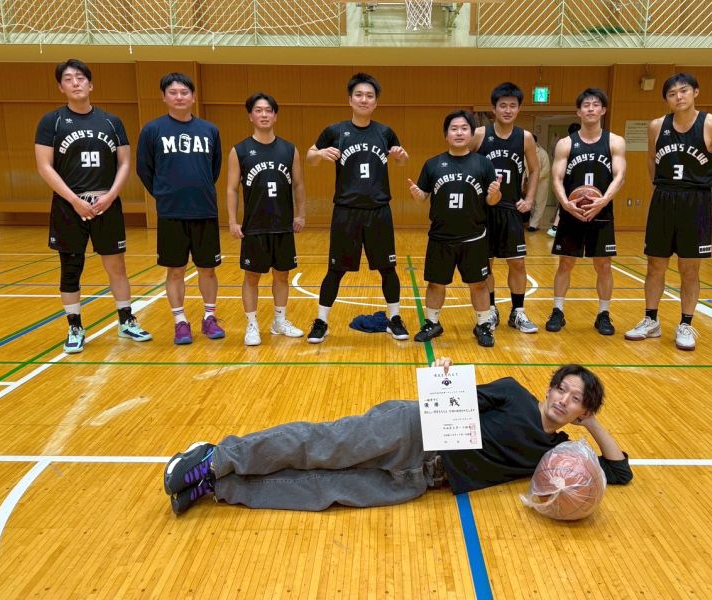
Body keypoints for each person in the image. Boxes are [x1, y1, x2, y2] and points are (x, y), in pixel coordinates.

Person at [162, 356, 633, 514]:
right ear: (549, 387)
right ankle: (217, 457)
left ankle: (218, 487)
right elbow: (453, 396)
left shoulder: (556, 457)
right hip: (410, 430)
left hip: (423, 479)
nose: (563, 400)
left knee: (321, 491)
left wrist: (592, 423)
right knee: (322, 445)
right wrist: (444, 373)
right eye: (561, 389)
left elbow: (618, 473)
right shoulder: (513, 393)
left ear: (581, 411)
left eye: (576, 400)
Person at [34, 58, 151, 354]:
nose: (75, 82)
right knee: (71, 268)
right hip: (69, 206)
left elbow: (124, 163)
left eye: (80, 77)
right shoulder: (51, 122)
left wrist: (110, 196)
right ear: (60, 87)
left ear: (91, 84)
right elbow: (45, 166)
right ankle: (74, 326)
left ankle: (126, 320)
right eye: (68, 78)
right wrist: (74, 201)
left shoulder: (112, 122)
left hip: (106, 204)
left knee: (117, 266)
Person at [625, 73, 712, 351]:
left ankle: (686, 324)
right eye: (672, 93)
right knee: (655, 265)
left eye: (684, 91)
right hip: (664, 199)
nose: (679, 97)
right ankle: (651, 320)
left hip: (696, 201)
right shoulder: (656, 126)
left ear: (695, 92)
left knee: (689, 268)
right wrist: (659, 188)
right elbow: (651, 159)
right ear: (666, 99)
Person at [305, 73, 410, 344]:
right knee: (335, 270)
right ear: (350, 100)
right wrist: (320, 154)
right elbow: (309, 157)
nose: (364, 99)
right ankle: (321, 322)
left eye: (369, 96)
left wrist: (400, 156)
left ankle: (394, 319)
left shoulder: (385, 132)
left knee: (388, 269)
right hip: (346, 212)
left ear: (376, 102)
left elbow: (402, 160)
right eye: (359, 95)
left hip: (378, 211)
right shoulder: (335, 131)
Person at [137, 73, 224, 345]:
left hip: (204, 210)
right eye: (172, 92)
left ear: (193, 97)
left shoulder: (210, 130)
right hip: (171, 213)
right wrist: (164, 194)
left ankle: (209, 318)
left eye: (184, 92)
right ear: (163, 97)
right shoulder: (152, 130)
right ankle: (180, 321)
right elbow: (144, 169)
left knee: (208, 269)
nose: (179, 97)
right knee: (175, 271)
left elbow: (215, 168)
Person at [408, 110, 502, 348]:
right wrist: (417, 195)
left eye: (464, 128)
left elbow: (491, 201)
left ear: (471, 133)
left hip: (474, 237)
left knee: (479, 284)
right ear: (446, 134)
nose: (459, 133)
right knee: (435, 284)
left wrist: (495, 193)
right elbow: (423, 197)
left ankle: (483, 325)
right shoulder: (432, 164)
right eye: (454, 128)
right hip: (441, 237)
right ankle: (432, 323)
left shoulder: (483, 164)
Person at [226, 93, 307, 346]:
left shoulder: (289, 149)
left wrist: (300, 214)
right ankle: (252, 325)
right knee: (252, 277)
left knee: (282, 276)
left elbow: (298, 185)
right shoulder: (239, 150)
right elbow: (231, 189)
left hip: (283, 225)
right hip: (255, 226)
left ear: (275, 115)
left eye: (268, 110)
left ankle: (279, 321)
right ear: (250, 116)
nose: (264, 114)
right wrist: (232, 221)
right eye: (258, 110)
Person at [545, 89, 627, 336]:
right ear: (578, 111)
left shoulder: (614, 141)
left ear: (603, 110)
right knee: (565, 262)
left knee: (604, 265)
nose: (591, 108)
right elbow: (556, 178)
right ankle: (558, 310)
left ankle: (603, 314)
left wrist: (603, 201)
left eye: (596, 104)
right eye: (586, 105)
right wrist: (565, 204)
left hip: (601, 212)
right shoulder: (566, 144)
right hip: (572, 212)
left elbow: (620, 176)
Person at [472, 82, 541, 334]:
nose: (508, 110)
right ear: (494, 108)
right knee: (485, 264)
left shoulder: (525, 138)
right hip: (484, 211)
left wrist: (529, 198)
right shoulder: (480, 134)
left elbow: (535, 170)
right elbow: (464, 161)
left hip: (511, 210)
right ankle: (490, 309)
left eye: (513, 105)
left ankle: (518, 312)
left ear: (519, 108)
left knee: (518, 263)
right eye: (503, 105)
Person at [526, 134, 551, 233]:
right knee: (531, 202)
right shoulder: (527, 152)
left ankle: (533, 225)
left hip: (541, 182)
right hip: (530, 181)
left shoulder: (543, 153)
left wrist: (535, 178)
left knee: (539, 203)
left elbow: (546, 170)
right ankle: (533, 223)